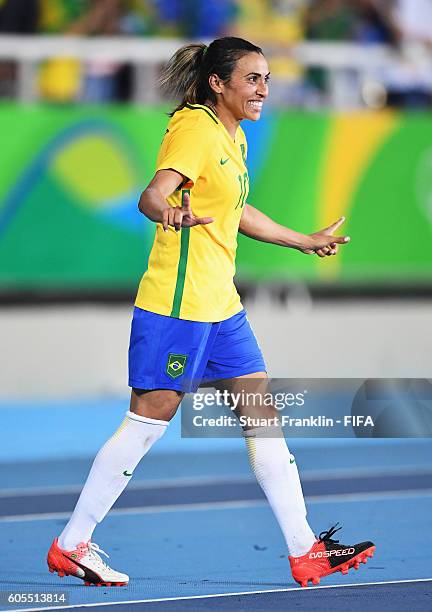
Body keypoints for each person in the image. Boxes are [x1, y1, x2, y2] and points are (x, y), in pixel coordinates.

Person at [47, 36, 375, 588]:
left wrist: (301, 241)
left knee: (261, 416)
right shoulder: (195, 129)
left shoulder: (233, 134)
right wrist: (169, 215)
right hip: (179, 306)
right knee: (148, 422)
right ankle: (73, 542)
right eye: (252, 79)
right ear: (218, 83)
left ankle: (305, 549)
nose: (263, 89)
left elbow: (237, 208)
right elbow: (153, 195)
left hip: (221, 305)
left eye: (267, 79)